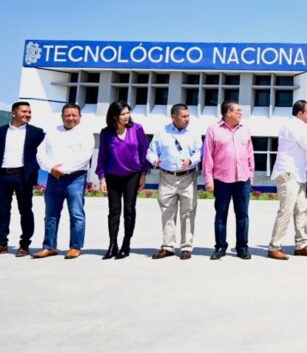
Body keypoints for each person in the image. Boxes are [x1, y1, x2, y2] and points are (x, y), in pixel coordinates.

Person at [267, 100, 307, 260]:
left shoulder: (292, 125)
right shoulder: (296, 127)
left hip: (296, 174)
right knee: (286, 211)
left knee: (301, 210)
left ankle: (301, 245)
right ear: (300, 113)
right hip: (289, 174)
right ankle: (274, 247)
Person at [33, 103, 94, 259]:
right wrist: (51, 168)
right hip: (53, 177)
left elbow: (84, 157)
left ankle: (75, 246)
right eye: (67, 115)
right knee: (51, 214)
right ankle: (49, 246)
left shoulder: (85, 133)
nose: (71, 118)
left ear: (80, 117)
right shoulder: (52, 132)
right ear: (62, 116)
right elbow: (40, 153)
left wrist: (63, 169)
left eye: (74, 115)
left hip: (75, 178)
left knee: (76, 214)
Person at [147, 104, 203, 260]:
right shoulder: (161, 132)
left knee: (188, 212)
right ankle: (168, 246)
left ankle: (186, 247)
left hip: (188, 177)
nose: (187, 119)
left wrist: (191, 160)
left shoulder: (193, 133)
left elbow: (199, 151)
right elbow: (151, 151)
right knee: (167, 212)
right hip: (167, 177)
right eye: (184, 116)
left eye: (188, 116)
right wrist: (154, 160)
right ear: (173, 117)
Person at [96, 100, 149, 260]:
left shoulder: (137, 129)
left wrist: (143, 174)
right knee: (114, 211)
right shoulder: (106, 133)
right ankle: (112, 245)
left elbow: (144, 151)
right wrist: (101, 178)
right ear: (114, 116)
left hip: (132, 175)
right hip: (112, 176)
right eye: (123, 114)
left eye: (128, 113)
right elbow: (102, 157)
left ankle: (126, 243)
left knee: (129, 210)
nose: (127, 116)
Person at [203, 100, 255, 260]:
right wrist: (208, 179)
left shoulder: (245, 130)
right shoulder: (213, 130)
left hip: (242, 179)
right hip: (221, 179)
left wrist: (251, 175)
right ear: (227, 113)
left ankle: (242, 247)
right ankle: (220, 247)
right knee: (221, 214)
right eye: (237, 110)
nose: (241, 113)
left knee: (243, 215)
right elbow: (207, 156)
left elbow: (250, 153)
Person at [0, 101, 45, 257]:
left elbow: (46, 151)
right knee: (2, 211)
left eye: (29, 112)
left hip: (23, 177)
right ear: (14, 113)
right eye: (24, 112)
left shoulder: (36, 133)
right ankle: (2, 243)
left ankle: (24, 244)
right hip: (3, 175)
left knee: (25, 211)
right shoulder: (1, 131)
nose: (27, 114)